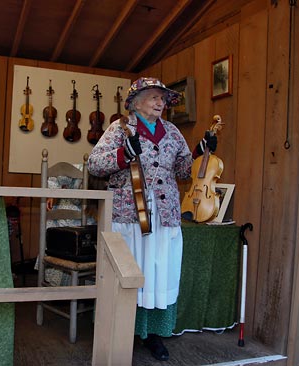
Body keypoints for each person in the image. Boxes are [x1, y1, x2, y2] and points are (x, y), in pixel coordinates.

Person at [87, 77, 216, 361]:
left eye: (162, 99)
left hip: (165, 215)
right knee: (130, 272)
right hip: (129, 216)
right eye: (154, 97)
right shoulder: (119, 129)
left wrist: (200, 150)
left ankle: (152, 335)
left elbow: (184, 171)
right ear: (136, 101)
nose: (160, 103)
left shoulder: (171, 131)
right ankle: (124, 332)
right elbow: (94, 164)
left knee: (158, 273)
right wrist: (123, 154)